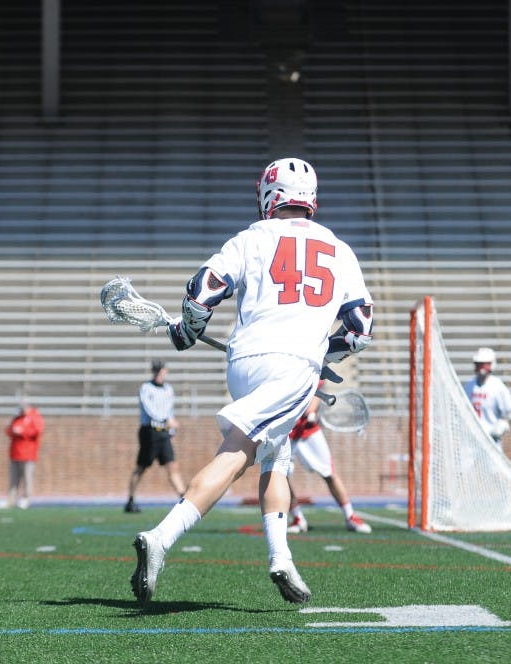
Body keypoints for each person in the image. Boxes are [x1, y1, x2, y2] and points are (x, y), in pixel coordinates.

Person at [130, 157, 374, 606]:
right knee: (239, 452)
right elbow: (360, 326)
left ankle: (281, 557)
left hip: (243, 362)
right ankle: (162, 537)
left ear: (268, 194)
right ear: (311, 198)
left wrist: (186, 330)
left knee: (276, 457)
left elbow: (202, 289)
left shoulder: (251, 237)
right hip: (293, 365)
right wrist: (325, 352)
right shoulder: (338, 248)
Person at [283, 381, 372, 534]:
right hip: (283, 431)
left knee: (329, 474)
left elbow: (316, 388)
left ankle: (350, 516)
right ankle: (298, 518)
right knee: (280, 476)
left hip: (307, 430)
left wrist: (310, 411)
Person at [125, 360, 186, 513]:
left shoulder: (168, 389)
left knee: (172, 465)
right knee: (142, 467)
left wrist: (171, 431)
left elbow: (169, 410)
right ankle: (130, 500)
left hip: (163, 433)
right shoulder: (146, 388)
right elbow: (149, 410)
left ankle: (185, 500)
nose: (159, 374)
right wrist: (166, 420)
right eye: (157, 371)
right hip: (149, 432)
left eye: (162, 371)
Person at [463, 347, 511, 449]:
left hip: (491, 443)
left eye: (484, 364)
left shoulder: (497, 387)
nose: (481, 368)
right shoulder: (468, 386)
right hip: (470, 443)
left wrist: (502, 425)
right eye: (479, 364)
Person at [0, 402, 45, 509]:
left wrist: (22, 432)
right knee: (13, 478)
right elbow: (8, 430)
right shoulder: (17, 418)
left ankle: (26, 499)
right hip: (15, 453)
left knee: (27, 477)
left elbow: (37, 431)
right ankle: (11, 500)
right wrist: (13, 431)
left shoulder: (34, 417)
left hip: (28, 454)